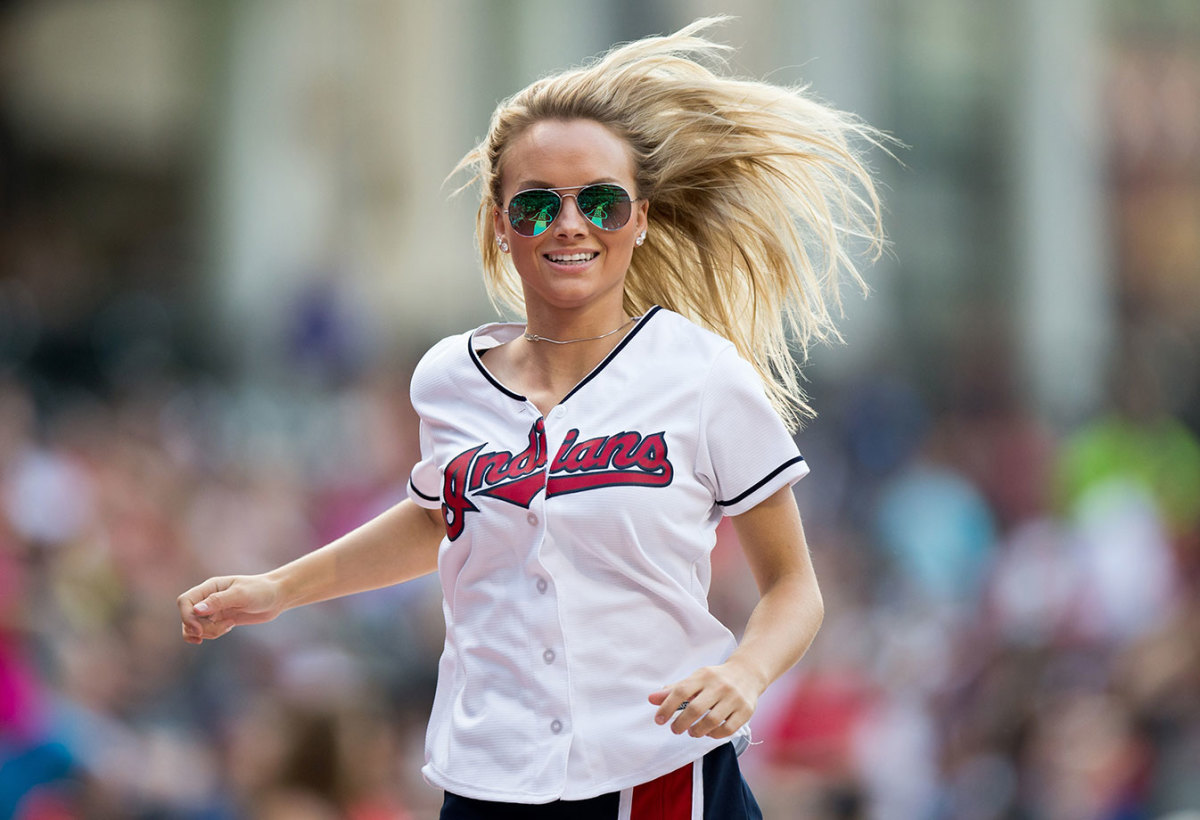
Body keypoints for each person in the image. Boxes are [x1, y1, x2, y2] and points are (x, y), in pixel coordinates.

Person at [178, 17, 886, 819]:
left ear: (640, 218)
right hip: (491, 772)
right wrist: (278, 587)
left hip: (655, 769)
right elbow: (441, 517)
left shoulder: (700, 374)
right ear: (499, 220)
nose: (571, 223)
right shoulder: (448, 379)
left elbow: (794, 588)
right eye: (538, 203)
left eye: (602, 202)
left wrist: (745, 674)